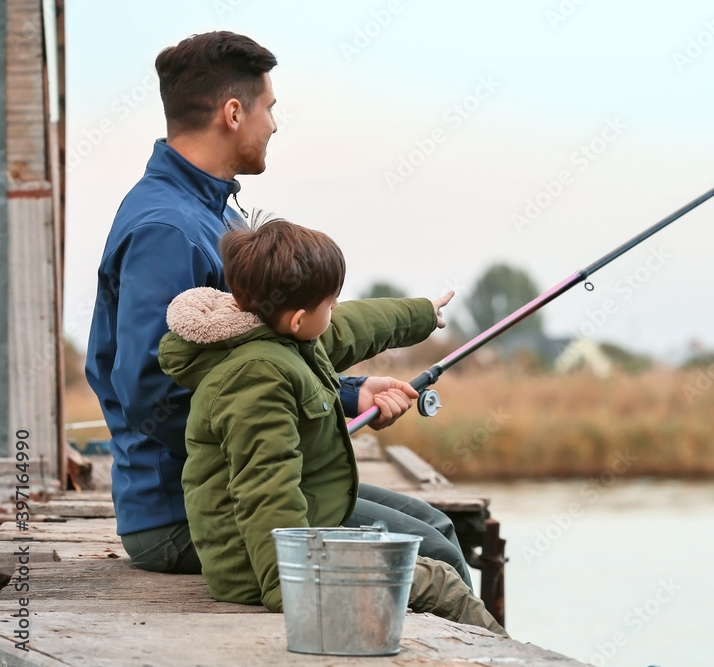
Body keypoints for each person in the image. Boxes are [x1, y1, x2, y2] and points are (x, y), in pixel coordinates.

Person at [84, 30, 471, 585]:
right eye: (270, 107)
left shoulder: (213, 212)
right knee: (430, 552)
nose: (274, 123)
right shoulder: (168, 230)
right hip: (191, 513)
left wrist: (345, 392)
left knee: (435, 525)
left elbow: (256, 351)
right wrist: (275, 448)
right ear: (234, 112)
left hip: (237, 489)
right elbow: (151, 390)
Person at [157, 216, 503, 634]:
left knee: (434, 525)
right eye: (331, 302)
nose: (336, 308)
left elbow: (353, 327)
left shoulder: (273, 333)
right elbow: (264, 489)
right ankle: (491, 652)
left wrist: (422, 314)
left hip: (310, 514)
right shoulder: (256, 377)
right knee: (440, 578)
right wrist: (293, 584)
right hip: (264, 566)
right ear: (300, 319)